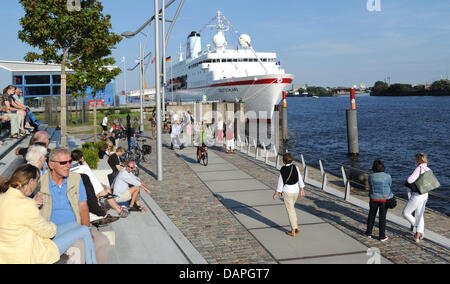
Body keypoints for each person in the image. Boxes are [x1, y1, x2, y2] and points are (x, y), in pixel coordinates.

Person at [0, 164, 97, 264]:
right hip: (29, 255)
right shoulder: (26, 205)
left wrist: (33, 204)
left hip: (9, 254)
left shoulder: (3, 198)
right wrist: (52, 224)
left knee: (75, 224)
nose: (37, 184)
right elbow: (49, 232)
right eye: (37, 181)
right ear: (30, 181)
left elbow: (19, 214)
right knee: (84, 229)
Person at [36, 147, 110, 264]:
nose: (68, 165)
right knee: (78, 247)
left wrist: (86, 229)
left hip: (77, 226)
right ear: (51, 164)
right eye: (63, 162)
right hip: (53, 232)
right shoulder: (40, 184)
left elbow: (83, 207)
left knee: (103, 242)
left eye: (70, 161)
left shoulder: (76, 179)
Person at [71, 150, 128, 218]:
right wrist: (83, 161)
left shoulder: (70, 167)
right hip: (89, 190)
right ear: (80, 158)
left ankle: (115, 206)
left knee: (107, 189)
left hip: (81, 189)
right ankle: (118, 210)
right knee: (105, 192)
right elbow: (91, 177)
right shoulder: (83, 168)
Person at [273, 153, 306, 237]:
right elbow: (299, 178)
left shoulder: (283, 169)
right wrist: (302, 189)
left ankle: (293, 231)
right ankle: (297, 227)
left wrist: (276, 193)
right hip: (296, 191)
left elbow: (280, 183)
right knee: (292, 209)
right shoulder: (295, 167)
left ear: (284, 161)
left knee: (290, 211)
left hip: (287, 192)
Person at [403, 153, 431, 243]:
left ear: (418, 160)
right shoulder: (428, 169)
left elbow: (409, 180)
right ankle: (418, 235)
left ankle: (419, 229)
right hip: (425, 194)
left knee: (405, 213)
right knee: (419, 214)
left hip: (417, 195)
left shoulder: (418, 168)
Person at [364, 160, 393, 242]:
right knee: (382, 218)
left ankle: (368, 232)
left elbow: (369, 184)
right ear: (383, 167)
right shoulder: (387, 176)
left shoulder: (371, 176)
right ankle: (382, 236)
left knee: (371, 215)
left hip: (373, 198)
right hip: (384, 199)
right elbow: (390, 185)